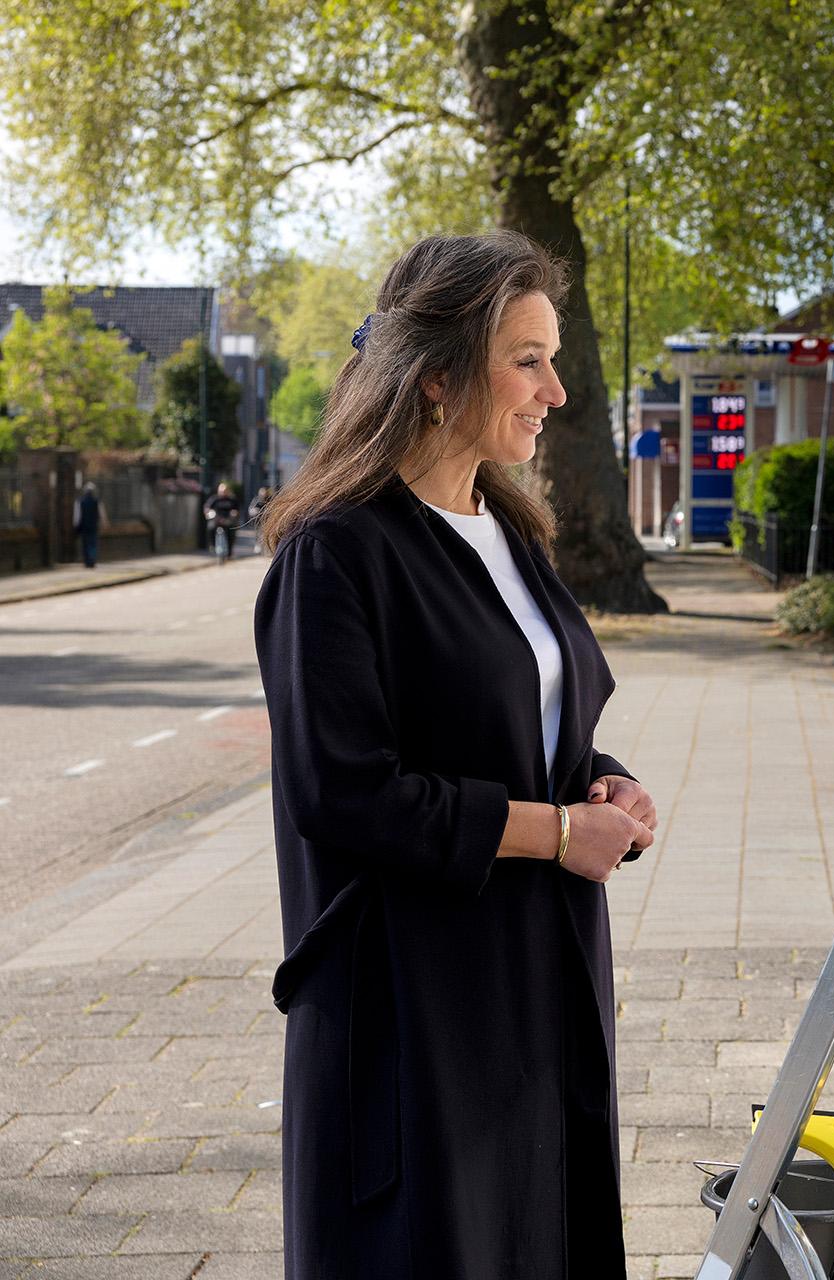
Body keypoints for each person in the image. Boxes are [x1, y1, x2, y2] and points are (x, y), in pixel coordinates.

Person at [255, 231, 657, 1279]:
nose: (556, 389)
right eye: (527, 358)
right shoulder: (335, 552)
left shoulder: (510, 527)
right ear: (435, 376)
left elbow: (517, 718)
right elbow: (344, 789)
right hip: (417, 1011)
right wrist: (563, 831)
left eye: (552, 357)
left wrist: (596, 776)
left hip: (540, 988)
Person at [204, 481, 242, 562]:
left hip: (228, 520)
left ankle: (229, 551)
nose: (223, 493)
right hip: (217, 520)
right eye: (221, 491)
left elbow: (237, 510)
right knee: (210, 528)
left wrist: (234, 513)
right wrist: (209, 513)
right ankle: (212, 545)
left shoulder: (232, 500)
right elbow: (207, 507)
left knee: (231, 532)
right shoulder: (214, 499)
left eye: (225, 491)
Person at [72, 481, 103, 568]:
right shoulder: (96, 501)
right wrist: (103, 522)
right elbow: (101, 513)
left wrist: (76, 525)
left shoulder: (80, 501)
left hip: (84, 526)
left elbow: (77, 516)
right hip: (93, 525)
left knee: (85, 544)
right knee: (92, 544)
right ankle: (92, 560)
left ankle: (87, 561)